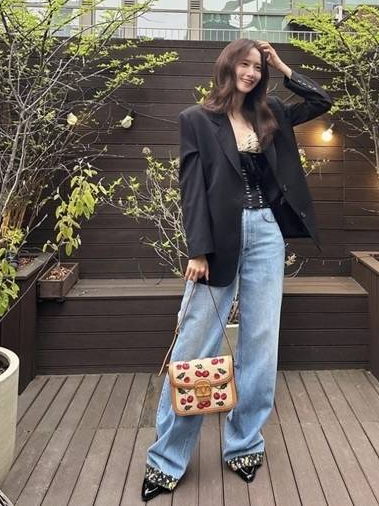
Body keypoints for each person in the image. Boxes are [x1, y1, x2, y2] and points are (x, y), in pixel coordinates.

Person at [142, 38, 333, 501]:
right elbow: (192, 188)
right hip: (218, 241)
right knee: (193, 346)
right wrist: (198, 250)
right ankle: (167, 456)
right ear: (227, 67)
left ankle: (244, 442)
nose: (250, 73)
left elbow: (320, 101)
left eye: (257, 67)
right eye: (244, 65)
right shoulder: (196, 120)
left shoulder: (271, 113)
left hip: (267, 233)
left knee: (261, 343)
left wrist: (281, 64)